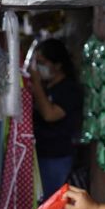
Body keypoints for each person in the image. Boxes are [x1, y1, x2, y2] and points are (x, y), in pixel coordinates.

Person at [30, 38, 82, 200]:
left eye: (42, 62)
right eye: (36, 63)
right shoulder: (49, 87)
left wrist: (36, 83)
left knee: (49, 202)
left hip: (56, 156)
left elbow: (49, 115)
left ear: (58, 65)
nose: (38, 68)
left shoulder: (69, 89)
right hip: (43, 154)